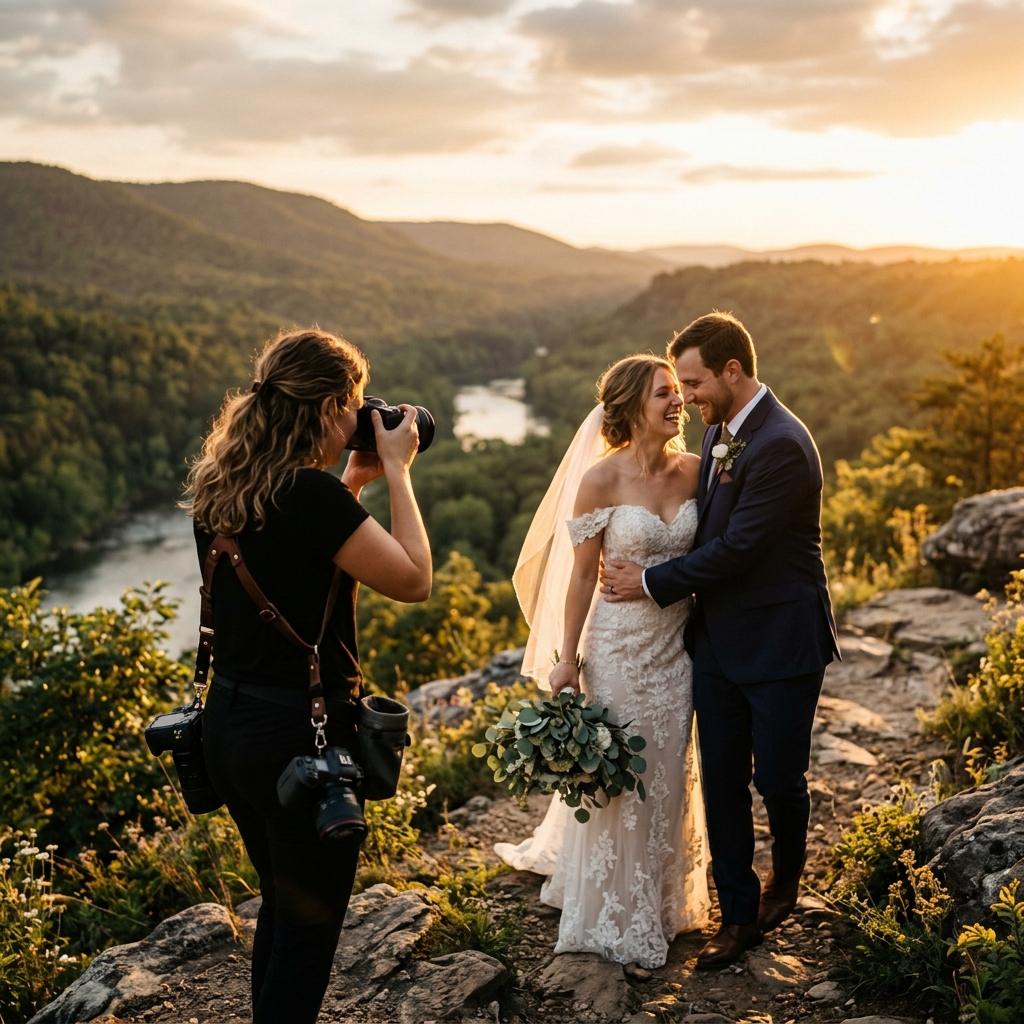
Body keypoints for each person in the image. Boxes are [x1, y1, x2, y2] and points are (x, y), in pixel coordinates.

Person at [183, 328, 431, 1023]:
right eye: (354, 403)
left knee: (284, 905)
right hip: (302, 736)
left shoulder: (222, 486)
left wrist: (352, 480)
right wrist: (399, 470)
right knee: (308, 929)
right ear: (328, 408)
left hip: (229, 731)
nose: (361, 417)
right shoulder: (309, 499)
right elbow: (413, 579)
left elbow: (298, 563)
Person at [601, 312, 839, 968]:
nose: (687, 396)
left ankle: (786, 881)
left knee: (780, 781)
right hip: (716, 642)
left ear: (733, 371)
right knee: (724, 780)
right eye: (679, 384)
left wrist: (650, 580)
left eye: (695, 381)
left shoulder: (782, 443)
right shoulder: (720, 431)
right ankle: (737, 915)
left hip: (781, 642)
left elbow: (736, 549)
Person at [496, 353, 711, 969]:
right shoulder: (599, 481)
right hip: (616, 648)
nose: (678, 404)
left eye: (678, 392)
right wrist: (566, 660)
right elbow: (581, 576)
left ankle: (662, 905)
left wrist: (659, 577)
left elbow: (712, 558)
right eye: (663, 395)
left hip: (676, 651)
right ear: (627, 408)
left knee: (668, 777)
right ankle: (610, 911)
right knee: (621, 780)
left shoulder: (696, 472)